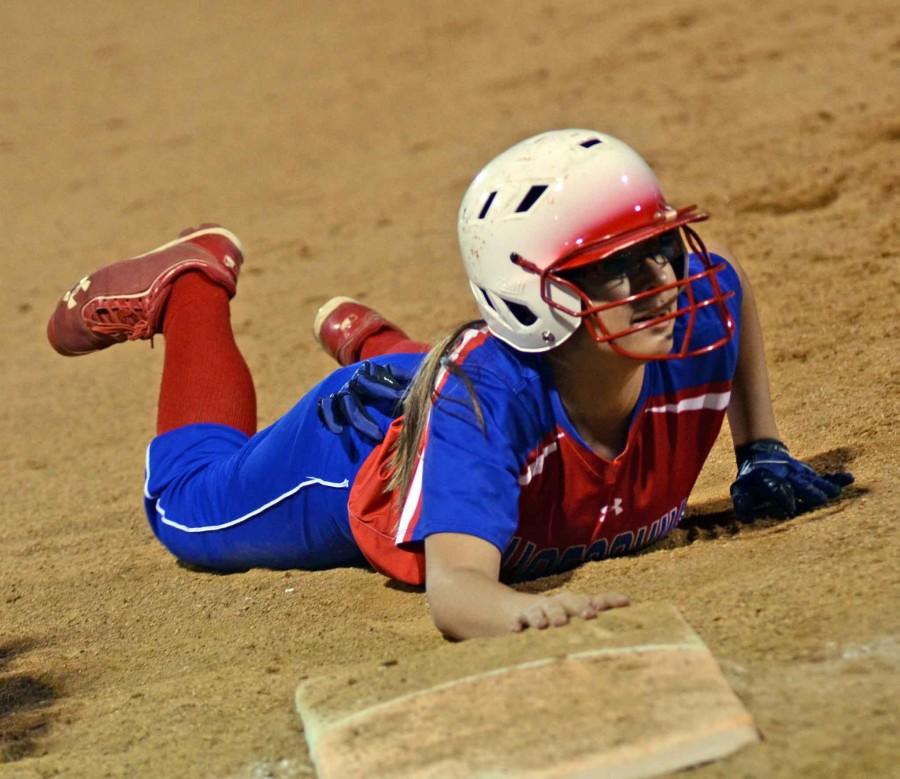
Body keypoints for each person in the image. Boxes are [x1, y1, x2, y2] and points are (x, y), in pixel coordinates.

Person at [46, 130, 852, 640]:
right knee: (188, 506)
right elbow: (459, 589)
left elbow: (727, 284)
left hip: (474, 393)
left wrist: (763, 453)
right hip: (361, 447)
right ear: (530, 294)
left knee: (491, 393)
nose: (661, 281)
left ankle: (383, 349)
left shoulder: (685, 311)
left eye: (662, 247)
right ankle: (192, 284)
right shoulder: (480, 402)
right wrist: (524, 610)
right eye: (614, 268)